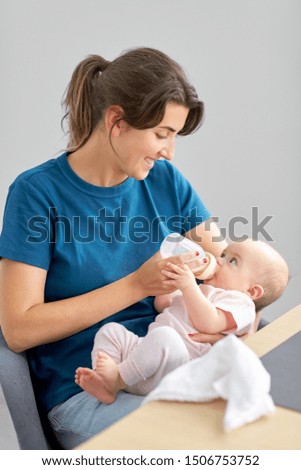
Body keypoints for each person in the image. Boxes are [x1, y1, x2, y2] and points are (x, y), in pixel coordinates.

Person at [0, 47, 228, 449]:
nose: (168, 152)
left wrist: (222, 316)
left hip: (170, 368)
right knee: (199, 443)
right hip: (89, 391)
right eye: (161, 134)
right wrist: (138, 285)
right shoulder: (36, 194)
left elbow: (226, 265)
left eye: (173, 136)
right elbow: (19, 329)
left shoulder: (165, 181)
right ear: (117, 121)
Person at [75, 239, 289, 404]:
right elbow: (164, 305)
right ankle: (104, 381)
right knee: (111, 331)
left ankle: (117, 379)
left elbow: (210, 324)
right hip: (146, 357)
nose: (219, 260)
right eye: (223, 254)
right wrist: (171, 282)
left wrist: (188, 286)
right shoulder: (203, 289)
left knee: (165, 336)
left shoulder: (240, 304)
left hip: (175, 368)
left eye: (232, 261)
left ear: (252, 291)